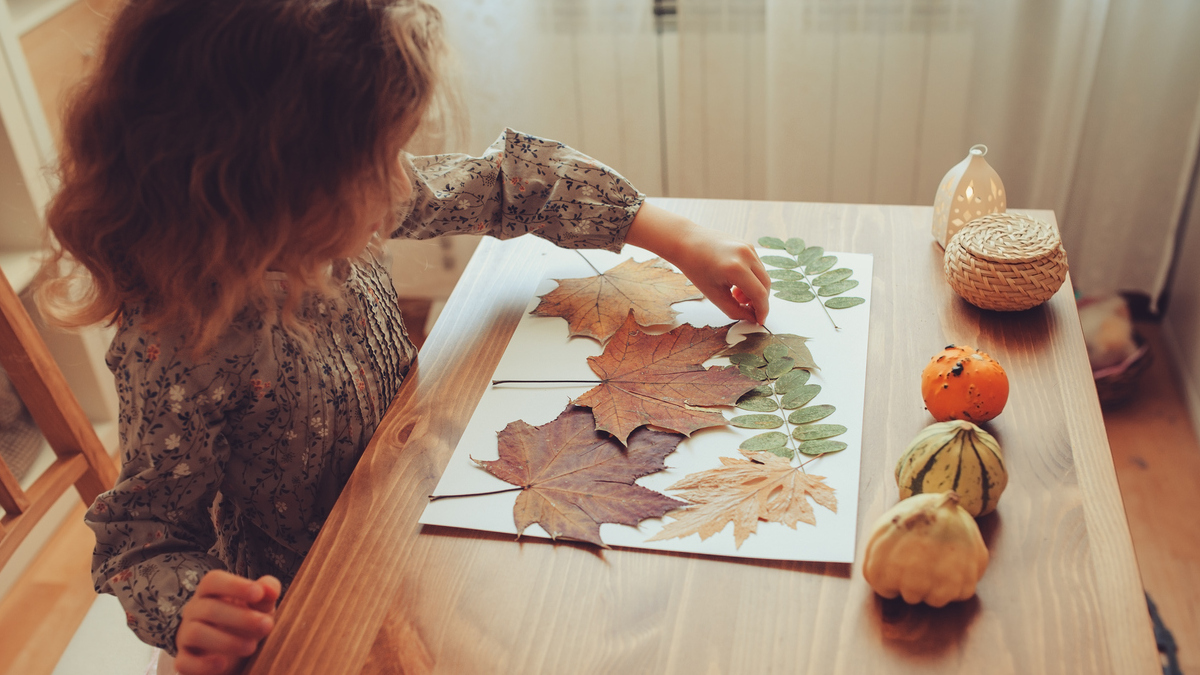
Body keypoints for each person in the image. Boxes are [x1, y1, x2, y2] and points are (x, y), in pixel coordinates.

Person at [36, 1, 770, 674]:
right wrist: (192, 608)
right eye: (375, 162)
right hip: (311, 599)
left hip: (417, 503)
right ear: (266, 177)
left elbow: (506, 182)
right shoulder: (175, 340)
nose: (396, 185)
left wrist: (673, 233)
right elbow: (141, 537)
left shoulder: (328, 200)